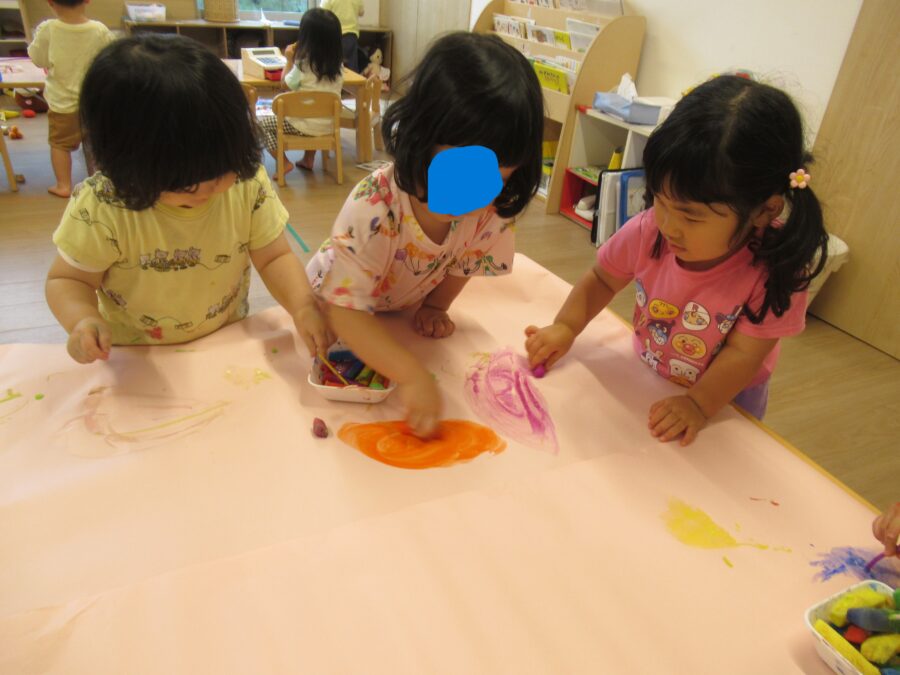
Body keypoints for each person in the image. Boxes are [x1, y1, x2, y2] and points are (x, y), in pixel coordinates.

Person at [525, 75, 830, 446]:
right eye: (660, 200)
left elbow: (743, 354)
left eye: (690, 216)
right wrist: (566, 326)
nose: (668, 225)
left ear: (765, 210)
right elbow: (603, 279)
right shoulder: (649, 230)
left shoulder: (773, 270)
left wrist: (698, 405)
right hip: (650, 370)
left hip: (726, 398)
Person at [307, 32, 544, 437]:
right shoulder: (374, 208)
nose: (478, 196)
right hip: (335, 298)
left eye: (498, 179)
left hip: (398, 306)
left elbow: (466, 261)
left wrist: (436, 306)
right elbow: (345, 312)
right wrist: (410, 373)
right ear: (420, 136)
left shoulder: (489, 211)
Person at [44, 34, 330, 363]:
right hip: (137, 356)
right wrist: (82, 320)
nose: (210, 188)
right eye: (186, 186)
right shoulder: (103, 206)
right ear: (128, 168)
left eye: (223, 172)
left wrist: (302, 305)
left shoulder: (246, 183)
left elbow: (273, 257)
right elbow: (68, 279)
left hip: (224, 342)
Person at [26, 0, 112, 198]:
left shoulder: (48, 29)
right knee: (96, 144)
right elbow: (112, 58)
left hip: (62, 104)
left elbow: (38, 59)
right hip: (93, 102)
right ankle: (101, 183)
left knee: (60, 145)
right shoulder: (99, 30)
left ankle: (63, 185)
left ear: (50, 2)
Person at [257, 8, 344, 176]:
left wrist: (289, 60)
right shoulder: (339, 67)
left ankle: (284, 162)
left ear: (306, 38)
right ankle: (308, 159)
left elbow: (284, 84)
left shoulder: (303, 65)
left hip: (302, 125)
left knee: (260, 126)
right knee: (314, 110)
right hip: (328, 125)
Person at [321, 0, 364, 72]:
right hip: (352, 34)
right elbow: (361, 12)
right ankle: (353, 79)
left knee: (333, 64)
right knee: (352, 65)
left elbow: (322, 12)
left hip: (335, 35)